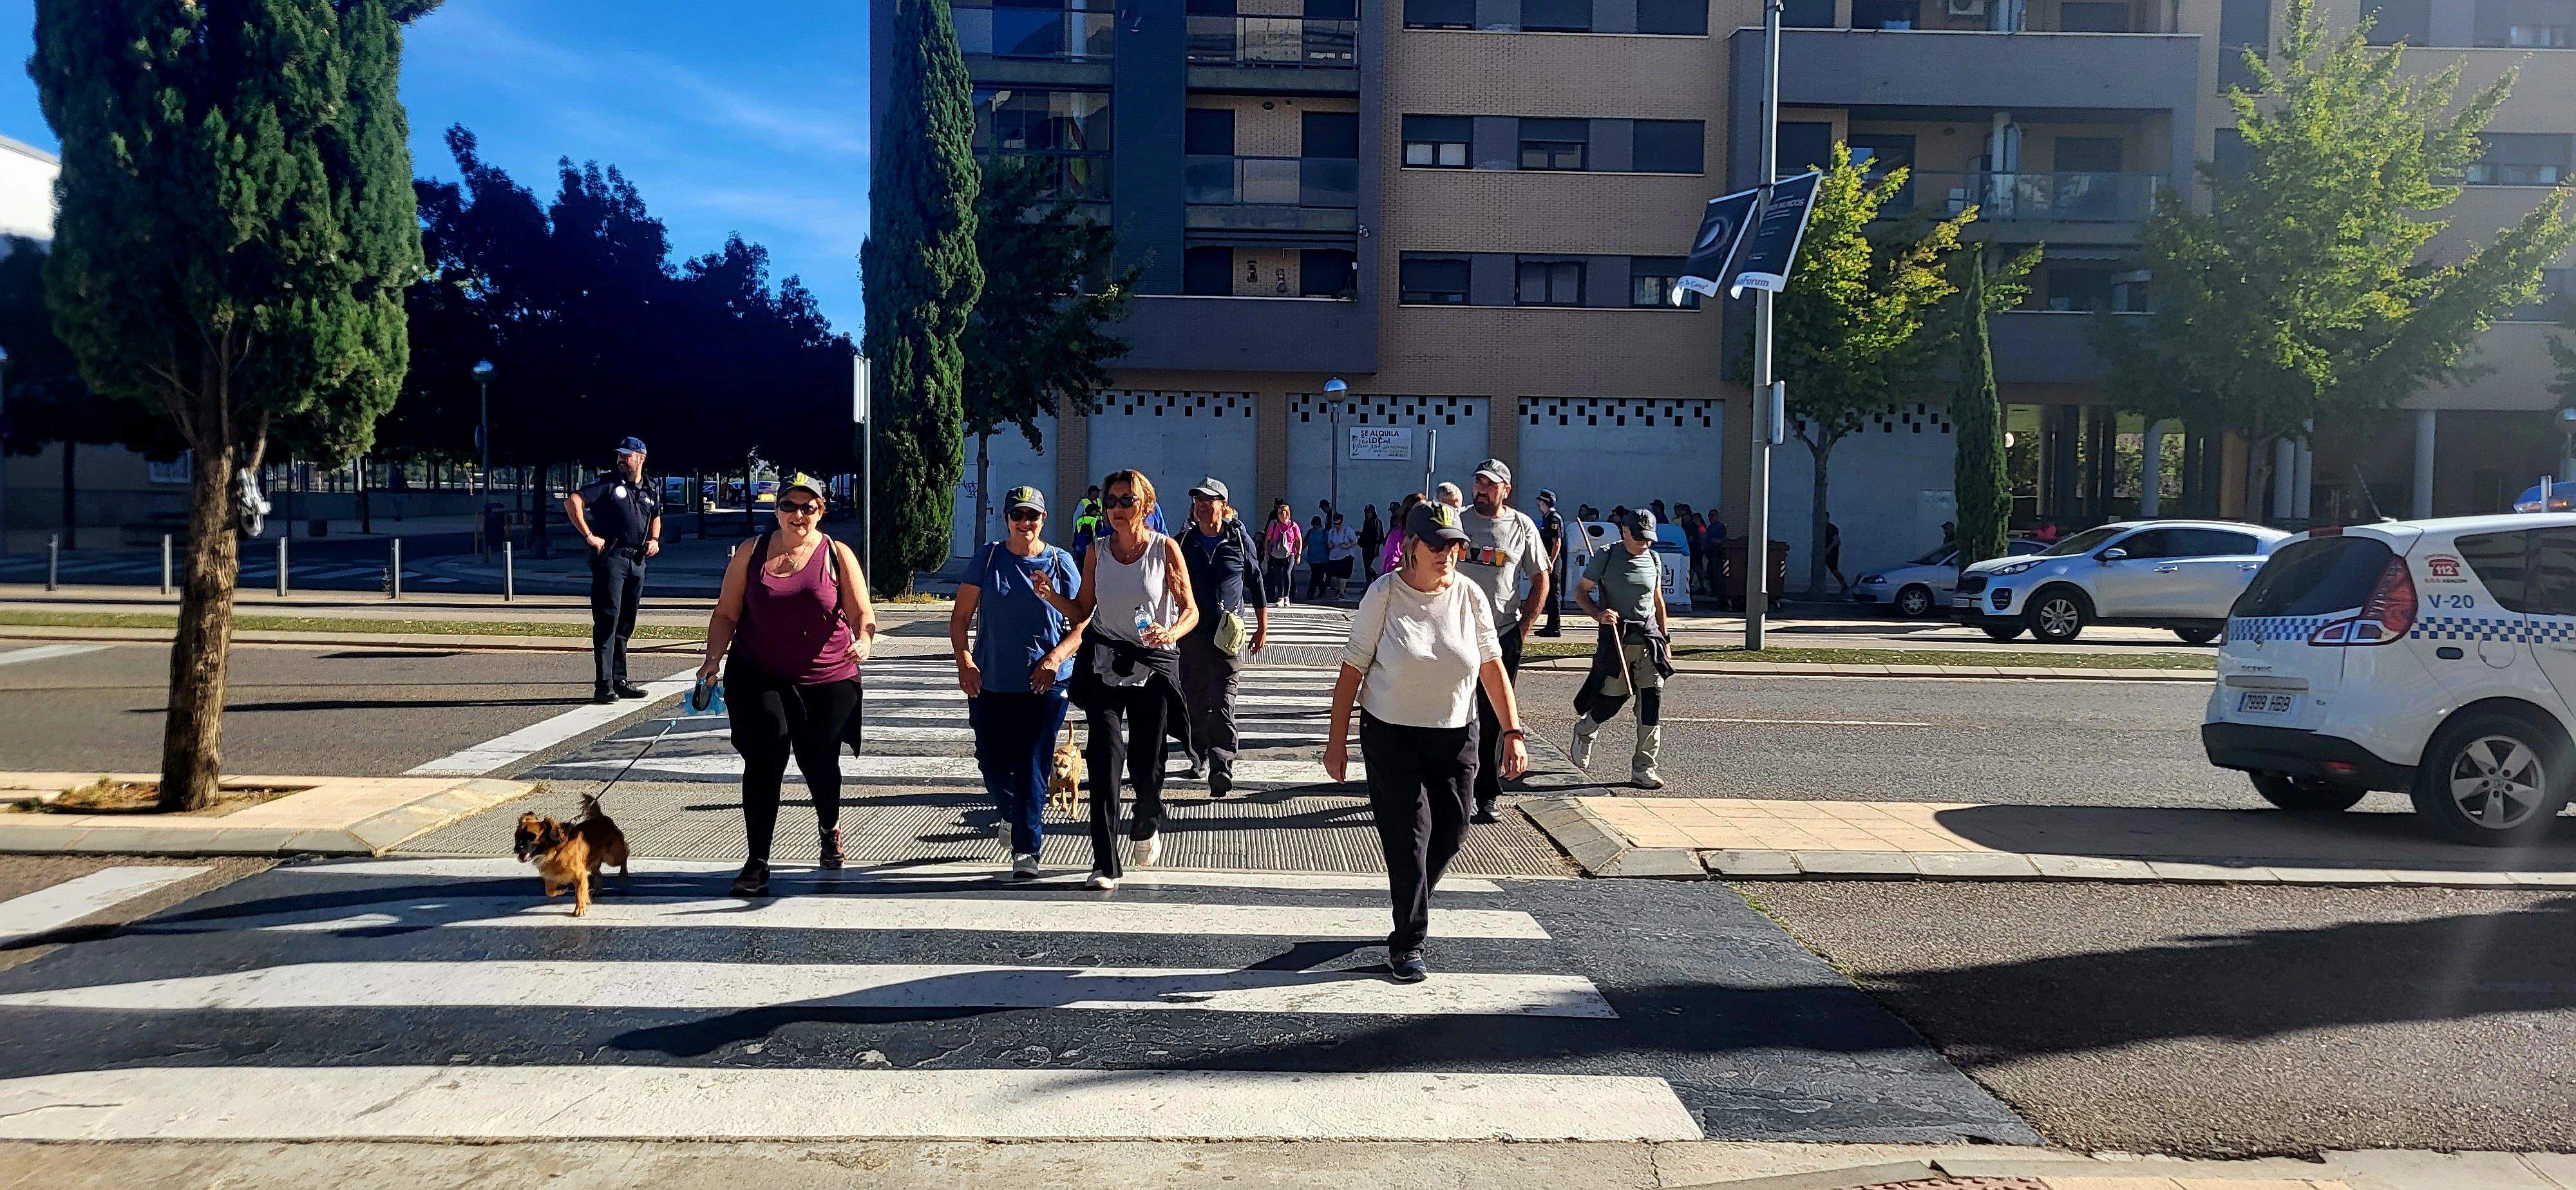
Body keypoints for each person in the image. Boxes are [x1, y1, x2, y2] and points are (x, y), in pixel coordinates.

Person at [1323, 502, 1530, 984]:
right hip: (1390, 734)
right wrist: (1337, 744)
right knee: (1408, 840)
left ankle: (1410, 900)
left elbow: (1491, 667)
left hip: (1456, 732)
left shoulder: (1470, 596)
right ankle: (1408, 943)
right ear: (1411, 548)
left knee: (1454, 829)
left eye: (1454, 545)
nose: (1447, 554)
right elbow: (1351, 671)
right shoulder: (1384, 595)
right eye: (1435, 545)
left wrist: (1514, 732)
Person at [697, 477, 877, 896]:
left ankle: (829, 827)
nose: (799, 515)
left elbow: (862, 611)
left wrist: (864, 640)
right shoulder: (751, 552)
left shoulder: (837, 553)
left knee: (818, 762)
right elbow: (726, 613)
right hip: (757, 671)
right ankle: (757, 861)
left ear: (822, 511)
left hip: (827, 677)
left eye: (808, 507)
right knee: (765, 756)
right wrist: (711, 660)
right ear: (777, 509)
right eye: (789, 505)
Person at [1068, 469, 1198, 891]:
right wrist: (1051, 596)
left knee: (1147, 766)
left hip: (1153, 666)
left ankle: (1147, 817)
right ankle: (1105, 863)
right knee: (1104, 761)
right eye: (1112, 501)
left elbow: (1190, 610)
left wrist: (1170, 634)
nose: (1118, 509)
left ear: (1145, 505)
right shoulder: (1096, 550)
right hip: (1106, 664)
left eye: (1127, 500)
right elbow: (1083, 608)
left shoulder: (1165, 549)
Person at [952, 486, 1086, 880]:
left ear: (1044, 519)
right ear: (1007, 518)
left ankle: (1027, 849)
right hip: (992, 680)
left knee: (1033, 764)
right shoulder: (989, 558)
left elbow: (1081, 623)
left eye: (1032, 515)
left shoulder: (1061, 563)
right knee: (992, 763)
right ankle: (1011, 812)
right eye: (1018, 515)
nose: (1025, 522)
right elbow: (960, 619)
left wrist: (1055, 658)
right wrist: (964, 660)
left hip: (1045, 684)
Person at [1455, 459, 1551, 825]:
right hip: (1457, 634)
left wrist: (1525, 627)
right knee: (1454, 712)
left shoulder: (1522, 527)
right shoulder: (1457, 520)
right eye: (1478, 482)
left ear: (1505, 490)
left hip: (1502, 634)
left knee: (1495, 714)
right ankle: (1451, 787)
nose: (1481, 490)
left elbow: (1541, 576)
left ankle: (1487, 793)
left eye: (1490, 485)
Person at [1570, 509, 1674, 790]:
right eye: (1640, 538)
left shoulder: (1653, 558)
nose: (1646, 544)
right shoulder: (1606, 555)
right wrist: (1598, 614)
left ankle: (1644, 769)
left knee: (1651, 705)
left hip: (1650, 643)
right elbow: (1581, 591)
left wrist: (1665, 640)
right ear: (1625, 532)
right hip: (1618, 642)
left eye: (1649, 538)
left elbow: (1657, 600)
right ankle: (1586, 729)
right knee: (1612, 701)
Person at [1178, 477, 1269, 797]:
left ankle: (1222, 766)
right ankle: (1198, 752)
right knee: (1194, 700)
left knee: (1223, 701)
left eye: (1208, 500)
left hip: (1228, 636)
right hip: (1191, 634)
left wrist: (1262, 626)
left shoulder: (1240, 542)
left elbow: (1256, 583)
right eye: (1197, 500)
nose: (1201, 505)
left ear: (1223, 505)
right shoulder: (1185, 541)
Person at [564, 437, 662, 704]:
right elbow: (573, 501)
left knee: (626, 623)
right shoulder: (608, 484)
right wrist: (589, 536)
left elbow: (656, 516)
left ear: (640, 458)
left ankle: (620, 679)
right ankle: (604, 685)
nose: (621, 459)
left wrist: (654, 540)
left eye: (627, 456)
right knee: (608, 620)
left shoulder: (651, 487)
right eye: (619, 455)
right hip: (612, 560)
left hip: (637, 561)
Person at [1535, 489, 1567, 637]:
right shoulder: (1547, 517)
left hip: (1551, 561)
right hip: (1547, 560)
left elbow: (1557, 543)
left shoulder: (1553, 519)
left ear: (1544, 503)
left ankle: (1555, 627)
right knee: (1548, 594)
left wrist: (1551, 562)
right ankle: (1550, 625)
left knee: (1553, 594)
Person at [1262, 500, 1302, 606]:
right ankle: (1280, 597)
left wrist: (1299, 554)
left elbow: (1299, 540)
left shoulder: (1293, 526)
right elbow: (1268, 539)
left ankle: (1287, 597)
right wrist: (1266, 552)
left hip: (1290, 553)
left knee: (1287, 573)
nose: (1279, 515)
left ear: (1287, 513)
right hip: (1276, 553)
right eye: (1278, 513)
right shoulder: (1274, 525)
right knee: (1278, 574)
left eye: (1281, 513)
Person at [1381, 492, 1425, 576]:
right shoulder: (1397, 536)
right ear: (1407, 513)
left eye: (1425, 510)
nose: (1422, 514)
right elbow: (1390, 569)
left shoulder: (1430, 535)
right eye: (1418, 510)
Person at [1327, 512, 1359, 598]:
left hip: (1346, 555)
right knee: (1333, 576)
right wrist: (1330, 546)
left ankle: (1342, 592)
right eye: (1335, 524)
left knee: (1343, 576)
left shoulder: (1348, 530)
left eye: (1338, 524)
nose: (1337, 526)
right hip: (1334, 556)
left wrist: (1347, 546)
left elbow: (1355, 541)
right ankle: (1337, 589)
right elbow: (1329, 543)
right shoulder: (1332, 532)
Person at [1303, 514, 1331, 601]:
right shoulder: (1310, 532)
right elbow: (1306, 543)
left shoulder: (1324, 533)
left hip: (1322, 559)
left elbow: (1329, 545)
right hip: (1312, 559)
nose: (1316, 527)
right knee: (1318, 576)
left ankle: (1310, 593)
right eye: (1314, 525)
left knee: (1316, 576)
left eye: (1317, 525)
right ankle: (1323, 590)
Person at [1358, 504, 1386, 583]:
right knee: (1366, 568)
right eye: (1367, 513)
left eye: (1370, 512)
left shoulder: (1377, 521)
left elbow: (1379, 536)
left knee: (1370, 566)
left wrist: (1376, 548)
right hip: (1366, 548)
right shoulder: (1366, 522)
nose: (1368, 514)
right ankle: (1368, 584)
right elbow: (1365, 534)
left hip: (1373, 548)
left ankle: (1376, 580)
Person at [1823, 520, 1850, 596]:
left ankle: (1844, 585)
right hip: (1824, 552)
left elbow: (1836, 540)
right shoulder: (1822, 528)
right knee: (1820, 568)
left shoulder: (1831, 528)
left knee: (1834, 570)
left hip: (1832, 553)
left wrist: (1828, 549)